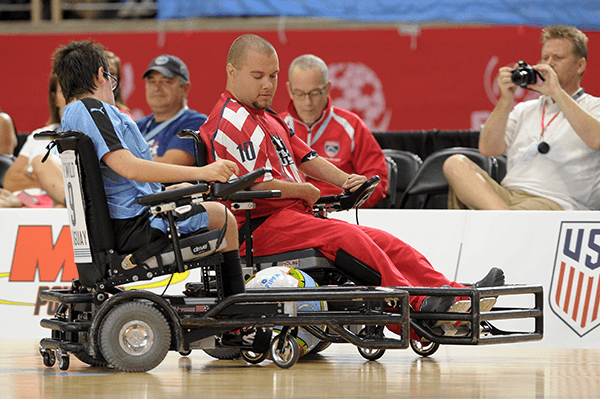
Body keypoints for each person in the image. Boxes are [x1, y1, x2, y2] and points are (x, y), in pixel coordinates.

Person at [198, 33, 505, 336]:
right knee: (347, 237)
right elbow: (253, 187)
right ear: (232, 71)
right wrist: (305, 191)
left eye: (273, 75)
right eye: (258, 76)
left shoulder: (267, 116)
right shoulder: (231, 121)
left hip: (290, 219)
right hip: (257, 226)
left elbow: (305, 156)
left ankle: (456, 296)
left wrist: (345, 180)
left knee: (385, 241)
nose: (268, 85)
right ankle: (421, 305)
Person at [51, 39, 245, 297]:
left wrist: (173, 189)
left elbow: (123, 174)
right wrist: (203, 172)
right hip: (136, 226)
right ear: (101, 75)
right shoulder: (92, 109)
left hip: (122, 221)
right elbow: (128, 167)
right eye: (111, 79)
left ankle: (221, 299)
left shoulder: (71, 115)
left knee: (204, 206)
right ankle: (234, 314)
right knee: (224, 217)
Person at [443, 25, 600, 210]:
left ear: (580, 65)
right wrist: (506, 99)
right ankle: (508, 222)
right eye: (546, 58)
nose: (549, 63)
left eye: (558, 58)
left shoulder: (593, 106)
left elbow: (596, 139)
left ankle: (505, 223)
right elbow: (488, 148)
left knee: (483, 213)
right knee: (455, 163)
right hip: (508, 197)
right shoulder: (525, 109)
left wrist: (556, 92)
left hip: (558, 203)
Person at [281, 54, 389, 208]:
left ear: (327, 89)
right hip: (289, 214)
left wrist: (359, 192)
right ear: (289, 90)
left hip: (339, 213)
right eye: (300, 93)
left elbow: (378, 180)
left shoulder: (351, 126)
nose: (307, 102)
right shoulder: (276, 127)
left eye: (315, 93)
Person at [4, 73, 66, 206]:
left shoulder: (90, 136)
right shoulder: (39, 135)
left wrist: (35, 172)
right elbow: (9, 182)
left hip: (63, 205)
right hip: (29, 202)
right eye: (63, 91)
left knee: (40, 162)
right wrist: (49, 179)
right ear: (55, 98)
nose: (69, 96)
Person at [136, 54, 207, 166]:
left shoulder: (196, 123)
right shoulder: (137, 126)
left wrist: (125, 166)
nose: (157, 87)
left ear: (185, 88)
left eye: (166, 81)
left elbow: (170, 165)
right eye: (152, 81)